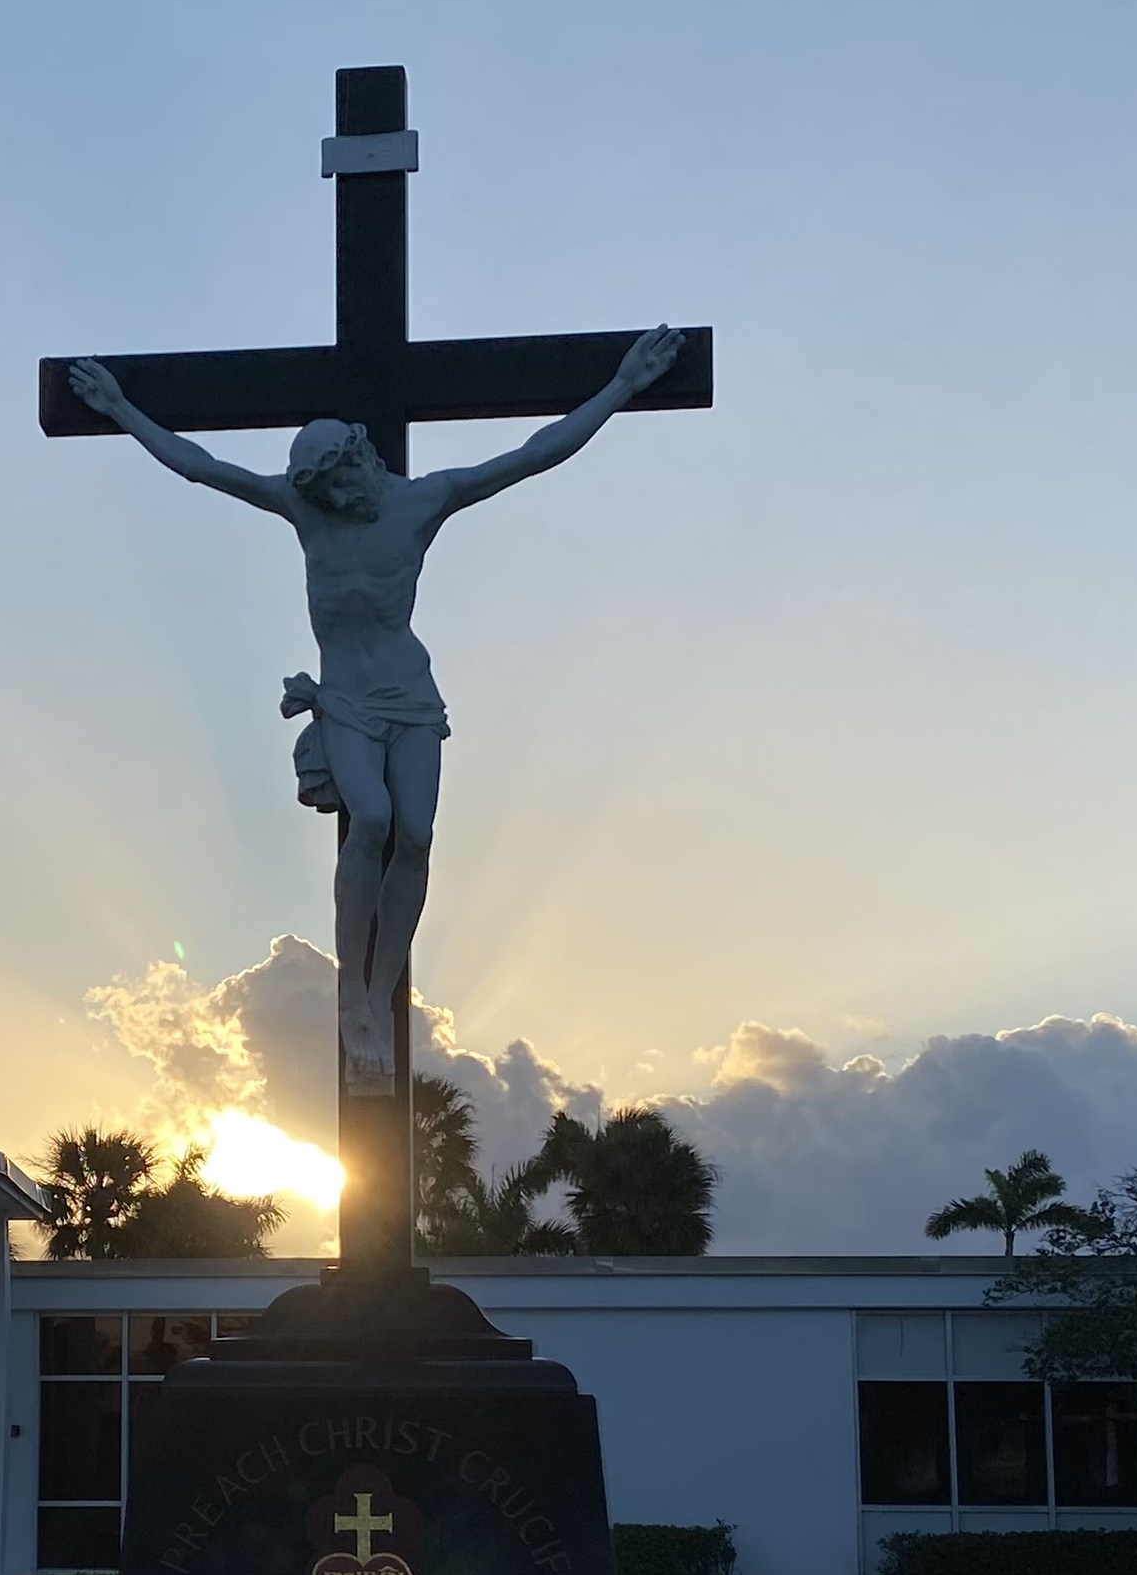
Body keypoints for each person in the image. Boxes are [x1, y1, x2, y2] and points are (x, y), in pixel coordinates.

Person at [69, 325, 684, 1091]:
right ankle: (351, 998)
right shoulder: (305, 512)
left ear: (361, 458)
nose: (340, 497)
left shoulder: (424, 501)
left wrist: (622, 386)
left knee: (416, 836)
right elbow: (201, 466)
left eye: (343, 480)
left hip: (409, 694)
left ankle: (379, 993)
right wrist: (120, 408)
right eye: (324, 490)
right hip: (347, 701)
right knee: (373, 819)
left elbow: (535, 453)